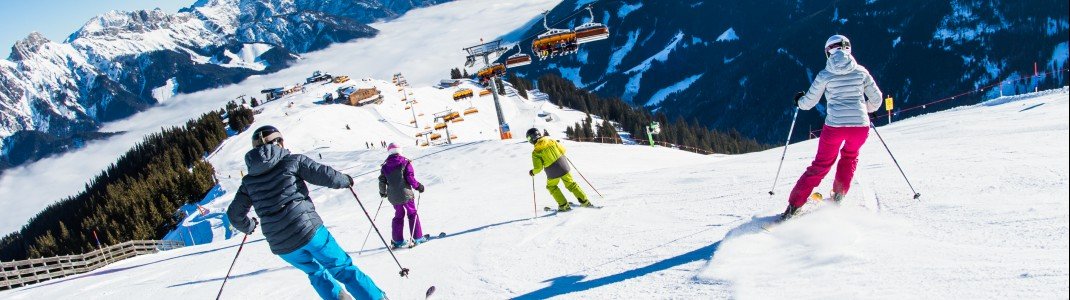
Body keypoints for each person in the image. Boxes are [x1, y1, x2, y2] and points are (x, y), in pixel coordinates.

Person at [228, 126, 384, 300]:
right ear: (278, 142)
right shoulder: (292, 161)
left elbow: (234, 215)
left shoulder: (248, 182)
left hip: (281, 245)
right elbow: (326, 176)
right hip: (308, 229)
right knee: (342, 268)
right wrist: (345, 180)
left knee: (316, 274)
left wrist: (249, 226)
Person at [782, 34, 883, 221]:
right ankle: (838, 196)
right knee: (850, 157)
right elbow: (877, 100)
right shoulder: (862, 72)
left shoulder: (825, 75)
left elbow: (808, 103)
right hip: (860, 127)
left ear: (828, 52)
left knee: (820, 165)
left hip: (835, 127)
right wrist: (864, 109)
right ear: (848, 49)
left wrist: (799, 101)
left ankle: (794, 207)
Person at [526, 128, 592, 211]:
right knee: (571, 184)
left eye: (528, 138)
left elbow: (538, 168)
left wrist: (532, 172)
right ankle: (585, 202)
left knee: (552, 186)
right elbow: (563, 150)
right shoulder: (551, 141)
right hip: (564, 165)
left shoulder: (536, 152)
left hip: (552, 171)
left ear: (531, 138)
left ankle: (564, 205)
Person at [378, 143, 427, 248]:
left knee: (398, 215)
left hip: (393, 197)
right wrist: (418, 186)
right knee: (412, 213)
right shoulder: (405, 162)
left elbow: (382, 181)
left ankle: (397, 240)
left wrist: (383, 192)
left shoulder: (385, 166)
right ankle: (417, 237)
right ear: (400, 151)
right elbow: (410, 178)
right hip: (406, 195)